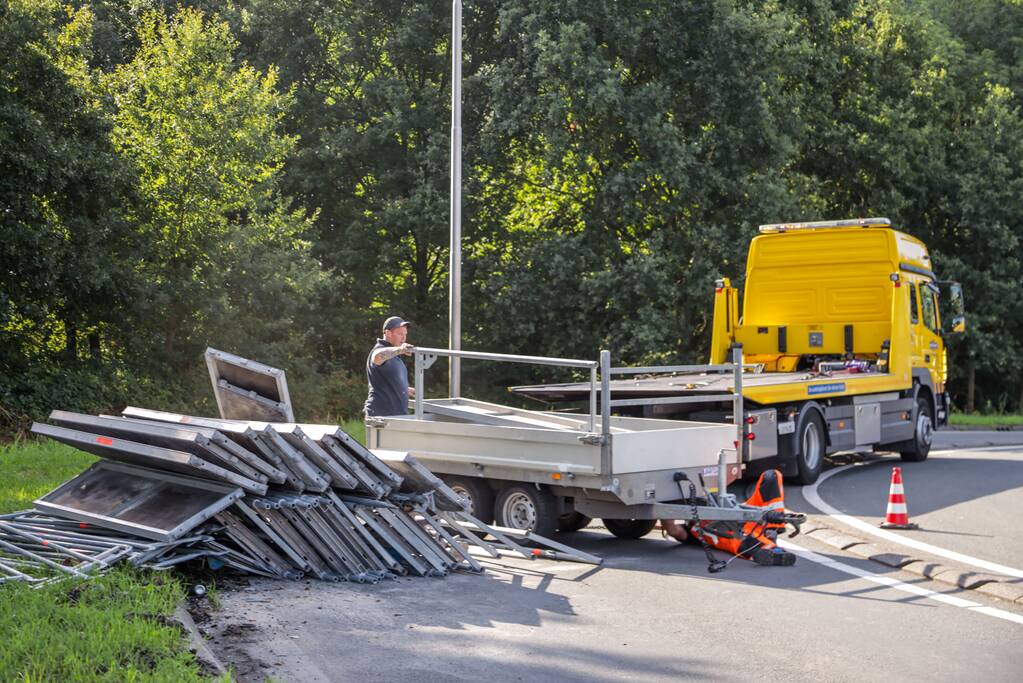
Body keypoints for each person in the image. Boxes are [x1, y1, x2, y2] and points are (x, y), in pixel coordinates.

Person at [364, 316, 416, 417]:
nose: (404, 338)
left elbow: (386, 380)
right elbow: (377, 356)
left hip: (396, 415)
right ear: (387, 333)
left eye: (405, 334)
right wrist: (400, 350)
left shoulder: (394, 353)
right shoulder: (380, 349)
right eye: (400, 334)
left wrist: (404, 388)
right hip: (382, 416)